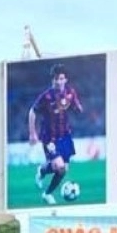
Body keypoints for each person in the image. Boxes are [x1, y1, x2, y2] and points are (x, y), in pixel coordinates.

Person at [28, 63, 84, 205]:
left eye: (61, 79)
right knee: (59, 166)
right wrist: (32, 133)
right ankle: (44, 183)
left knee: (62, 170)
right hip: (50, 137)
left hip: (65, 136)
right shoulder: (46, 96)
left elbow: (76, 105)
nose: (59, 82)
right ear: (52, 80)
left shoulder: (70, 92)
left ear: (65, 79)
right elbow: (32, 111)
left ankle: (45, 185)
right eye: (56, 79)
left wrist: (78, 108)